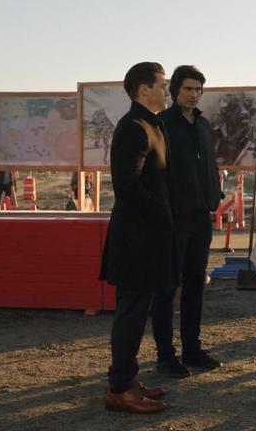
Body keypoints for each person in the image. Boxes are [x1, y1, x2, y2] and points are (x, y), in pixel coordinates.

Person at [99, 62, 173, 414]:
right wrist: (160, 214)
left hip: (150, 235)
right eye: (163, 84)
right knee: (130, 313)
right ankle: (119, 390)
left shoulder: (152, 124)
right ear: (144, 90)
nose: (167, 90)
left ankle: (127, 380)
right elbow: (127, 185)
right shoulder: (133, 127)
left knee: (137, 310)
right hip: (136, 238)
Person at [152, 65, 222, 378]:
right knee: (166, 288)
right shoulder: (162, 124)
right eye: (188, 89)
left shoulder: (204, 125)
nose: (193, 95)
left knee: (195, 285)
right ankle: (166, 356)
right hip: (173, 219)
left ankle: (192, 349)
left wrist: (215, 196)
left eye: (198, 90)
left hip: (200, 217)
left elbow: (209, 164)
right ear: (175, 90)